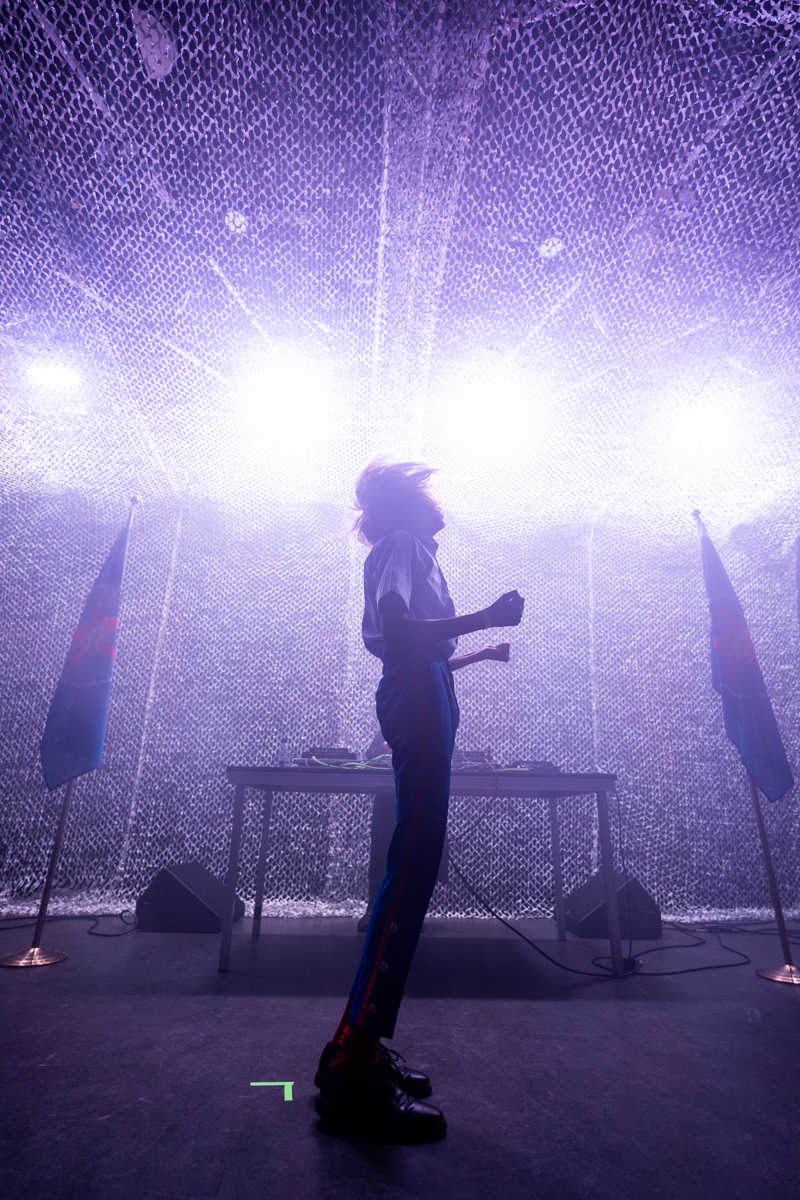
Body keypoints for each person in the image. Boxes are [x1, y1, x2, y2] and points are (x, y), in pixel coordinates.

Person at [315, 460, 525, 1142]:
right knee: (411, 871)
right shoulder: (404, 544)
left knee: (410, 866)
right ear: (407, 502)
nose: (440, 502)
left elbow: (418, 649)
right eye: (427, 490)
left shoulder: (407, 550)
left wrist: (477, 654)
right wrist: (488, 615)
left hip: (424, 686)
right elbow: (400, 633)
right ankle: (353, 1067)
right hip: (418, 693)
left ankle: (350, 1046)